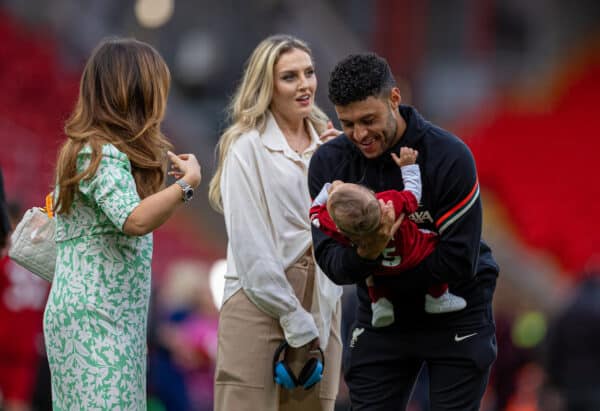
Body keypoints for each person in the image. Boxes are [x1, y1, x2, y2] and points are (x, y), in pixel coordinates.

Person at [308, 53, 499, 410]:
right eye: (347, 124)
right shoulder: (330, 164)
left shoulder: (449, 156)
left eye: (369, 120)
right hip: (383, 318)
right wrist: (370, 251)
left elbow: (458, 261)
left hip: (455, 310)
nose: (360, 135)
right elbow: (331, 262)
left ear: (394, 99)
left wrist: (376, 260)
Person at [43, 37, 202, 410]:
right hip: (95, 321)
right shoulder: (98, 152)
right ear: (136, 93)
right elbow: (134, 219)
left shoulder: (92, 150)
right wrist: (187, 185)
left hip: (110, 321)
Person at [208, 34, 343, 411]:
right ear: (267, 86)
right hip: (258, 299)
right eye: (289, 77)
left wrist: (345, 172)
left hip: (323, 301)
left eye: (309, 73)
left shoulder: (333, 148)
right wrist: (294, 319)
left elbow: (348, 236)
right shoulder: (245, 147)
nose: (304, 85)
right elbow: (251, 247)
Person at [310, 146, 467, 328]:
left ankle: (380, 304)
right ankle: (438, 297)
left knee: (372, 276)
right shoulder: (388, 202)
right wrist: (408, 167)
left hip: (381, 267)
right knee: (433, 240)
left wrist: (329, 188)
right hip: (412, 256)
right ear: (371, 193)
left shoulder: (337, 228)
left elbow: (314, 213)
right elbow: (413, 194)